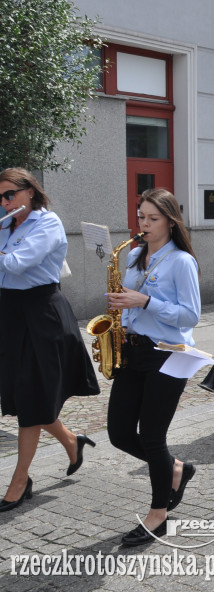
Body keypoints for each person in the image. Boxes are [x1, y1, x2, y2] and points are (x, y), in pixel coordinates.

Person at [0, 168, 100, 513]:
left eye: (9, 194)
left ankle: (20, 480)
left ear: (30, 191)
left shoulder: (47, 223)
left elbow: (17, 264)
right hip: (11, 314)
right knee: (28, 395)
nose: (4, 202)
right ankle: (73, 442)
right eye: (0, 197)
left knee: (31, 399)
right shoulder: (6, 223)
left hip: (42, 314)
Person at [105, 188, 201, 545]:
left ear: (170, 221)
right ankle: (177, 469)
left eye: (152, 218)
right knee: (118, 433)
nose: (143, 224)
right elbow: (130, 300)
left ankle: (158, 513)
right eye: (140, 216)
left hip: (168, 353)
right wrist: (120, 307)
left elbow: (191, 315)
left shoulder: (181, 261)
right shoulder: (133, 255)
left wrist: (144, 301)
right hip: (133, 350)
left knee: (151, 436)